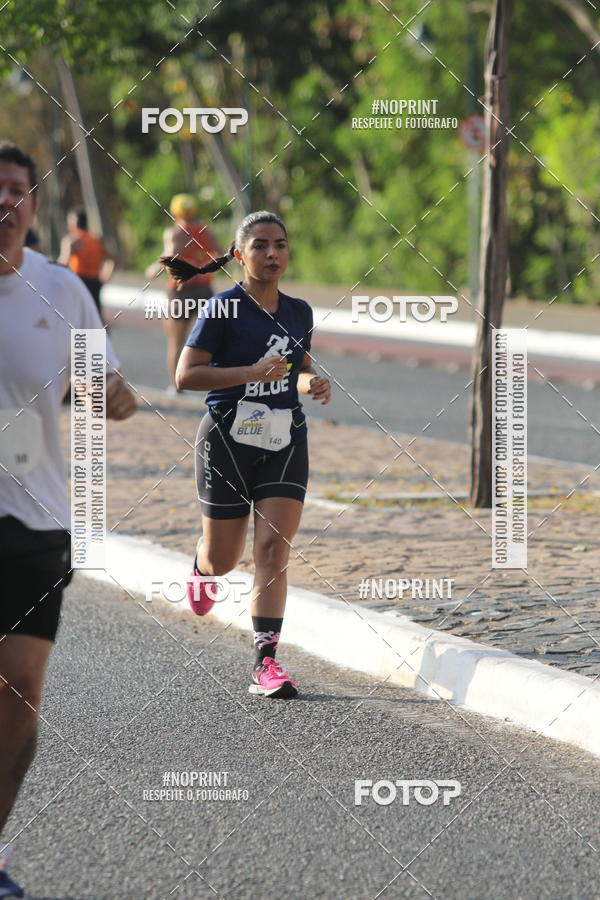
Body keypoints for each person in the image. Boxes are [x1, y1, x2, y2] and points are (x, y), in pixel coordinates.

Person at [0, 141, 137, 899]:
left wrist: (114, 395)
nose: (6, 201)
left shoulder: (62, 290)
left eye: (17, 189)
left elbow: (103, 387)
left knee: (19, 689)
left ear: (32, 204)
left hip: (38, 516)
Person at [160, 210, 331, 700]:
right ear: (239, 255)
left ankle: (265, 662)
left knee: (273, 550)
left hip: (284, 439)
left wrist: (311, 383)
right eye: (260, 245)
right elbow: (185, 376)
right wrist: (251, 373)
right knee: (224, 558)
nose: (272, 253)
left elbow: (296, 369)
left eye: (280, 244)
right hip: (227, 440)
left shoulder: (299, 312)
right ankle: (202, 566)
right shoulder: (222, 309)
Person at [146, 194, 221, 393]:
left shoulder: (175, 232)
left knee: (176, 342)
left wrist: (152, 270)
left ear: (174, 212)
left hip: (181, 291)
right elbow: (221, 254)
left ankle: (176, 386)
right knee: (211, 339)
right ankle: (216, 384)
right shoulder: (206, 231)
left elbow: (169, 258)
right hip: (204, 289)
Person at [58, 207, 114, 317]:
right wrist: (104, 277)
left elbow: (62, 264)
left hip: (78, 281)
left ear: (73, 223)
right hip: (95, 283)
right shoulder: (96, 240)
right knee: (93, 316)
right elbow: (111, 259)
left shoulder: (72, 241)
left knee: (75, 317)